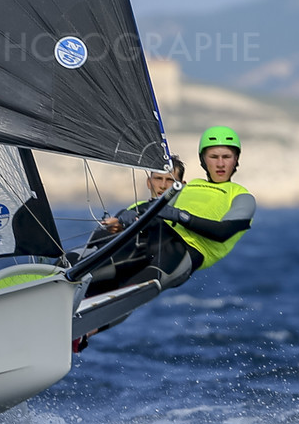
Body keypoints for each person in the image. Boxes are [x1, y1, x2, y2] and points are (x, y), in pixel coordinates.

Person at [83, 127, 255, 297]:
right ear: (203, 159)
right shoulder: (188, 186)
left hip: (184, 252)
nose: (220, 164)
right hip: (155, 237)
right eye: (213, 157)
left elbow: (223, 232)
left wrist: (181, 216)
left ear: (236, 159)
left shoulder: (241, 196)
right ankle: (64, 274)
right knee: (101, 246)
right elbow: (154, 207)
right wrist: (124, 216)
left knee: (125, 292)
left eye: (226, 157)